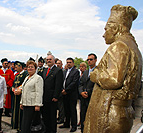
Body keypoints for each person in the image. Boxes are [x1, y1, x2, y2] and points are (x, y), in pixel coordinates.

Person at [84, 5, 142, 133]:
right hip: (124, 112)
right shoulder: (134, 48)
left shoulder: (118, 46)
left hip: (109, 114)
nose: (104, 34)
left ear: (115, 28)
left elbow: (114, 79)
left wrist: (95, 75)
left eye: (106, 29)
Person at [20, 60, 44, 133]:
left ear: (35, 68)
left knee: (29, 124)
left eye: (32, 67)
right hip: (26, 103)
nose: (30, 68)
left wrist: (38, 104)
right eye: (29, 67)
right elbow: (24, 90)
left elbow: (39, 92)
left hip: (32, 104)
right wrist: (21, 102)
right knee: (25, 124)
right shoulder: (27, 78)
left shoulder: (38, 78)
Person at [42, 54, 63, 133]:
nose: (48, 61)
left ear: (54, 60)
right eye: (47, 60)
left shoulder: (58, 70)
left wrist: (56, 96)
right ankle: (46, 130)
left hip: (52, 98)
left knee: (52, 117)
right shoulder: (44, 70)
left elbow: (58, 84)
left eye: (50, 59)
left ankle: (52, 131)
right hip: (44, 97)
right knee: (45, 116)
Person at [59, 57, 80, 132]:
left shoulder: (76, 72)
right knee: (66, 110)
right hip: (64, 94)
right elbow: (61, 81)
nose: (68, 63)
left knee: (72, 111)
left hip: (71, 94)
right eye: (67, 62)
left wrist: (66, 90)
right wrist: (62, 90)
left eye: (70, 62)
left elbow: (74, 83)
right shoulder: (64, 71)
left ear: (73, 63)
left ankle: (74, 126)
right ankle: (66, 123)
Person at [78, 53, 97, 133]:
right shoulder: (85, 72)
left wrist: (88, 92)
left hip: (93, 99)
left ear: (95, 60)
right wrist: (81, 92)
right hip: (83, 99)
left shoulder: (99, 71)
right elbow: (80, 84)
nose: (89, 61)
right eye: (88, 59)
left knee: (92, 119)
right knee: (83, 117)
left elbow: (98, 85)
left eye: (91, 59)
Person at [11, 61, 28, 132]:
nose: (15, 68)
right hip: (15, 95)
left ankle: (20, 127)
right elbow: (14, 83)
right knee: (15, 110)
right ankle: (14, 125)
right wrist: (12, 88)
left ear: (20, 67)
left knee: (20, 112)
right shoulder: (17, 75)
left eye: (16, 67)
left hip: (21, 95)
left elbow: (25, 84)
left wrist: (19, 90)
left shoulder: (25, 74)